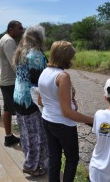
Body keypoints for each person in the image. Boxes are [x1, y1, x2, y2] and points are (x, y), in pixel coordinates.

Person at [38, 41, 94, 182]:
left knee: (54, 157)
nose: (72, 60)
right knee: (72, 159)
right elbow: (67, 113)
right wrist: (93, 120)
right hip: (63, 125)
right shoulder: (62, 76)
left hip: (47, 120)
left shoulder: (44, 71)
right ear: (65, 57)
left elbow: (40, 101)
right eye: (71, 57)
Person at [12, 25, 48, 176]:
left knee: (25, 134)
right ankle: (31, 166)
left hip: (18, 97)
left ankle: (30, 160)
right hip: (31, 101)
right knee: (37, 135)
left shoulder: (21, 52)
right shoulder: (37, 55)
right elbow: (41, 82)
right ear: (39, 38)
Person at [0, 20, 23, 146]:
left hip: (5, 80)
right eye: (19, 28)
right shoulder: (8, 41)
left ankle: (8, 137)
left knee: (7, 109)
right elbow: (15, 64)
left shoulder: (6, 39)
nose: (21, 30)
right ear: (11, 28)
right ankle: (25, 138)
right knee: (20, 111)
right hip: (10, 81)